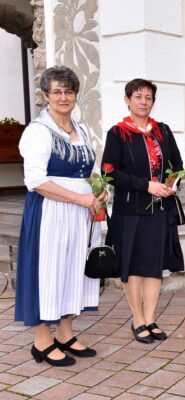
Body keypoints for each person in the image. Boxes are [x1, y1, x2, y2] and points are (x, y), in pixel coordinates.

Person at [14, 66, 106, 366]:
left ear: (75, 95)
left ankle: (65, 333)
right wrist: (80, 198)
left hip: (79, 214)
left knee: (72, 270)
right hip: (50, 212)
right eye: (57, 91)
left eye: (68, 91)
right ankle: (42, 341)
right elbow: (36, 181)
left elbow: (91, 171)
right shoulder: (38, 132)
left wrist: (100, 191)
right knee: (47, 271)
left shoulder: (81, 129)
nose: (63, 97)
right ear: (46, 96)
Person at [102, 79, 185, 343]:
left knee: (152, 266)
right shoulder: (117, 133)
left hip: (160, 209)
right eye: (138, 97)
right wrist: (146, 185)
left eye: (148, 97)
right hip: (130, 210)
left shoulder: (163, 131)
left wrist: (173, 183)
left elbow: (177, 164)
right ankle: (137, 319)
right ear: (127, 100)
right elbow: (111, 172)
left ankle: (151, 318)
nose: (143, 102)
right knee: (133, 267)